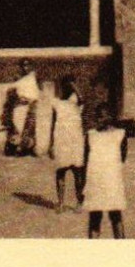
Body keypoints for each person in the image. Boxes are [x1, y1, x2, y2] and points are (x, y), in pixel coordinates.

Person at [84, 111, 128, 239]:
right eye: (98, 117)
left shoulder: (118, 135)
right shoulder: (92, 135)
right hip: (102, 181)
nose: (98, 121)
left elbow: (122, 157)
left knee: (109, 216)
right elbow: (86, 159)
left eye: (101, 117)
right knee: (102, 217)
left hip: (105, 182)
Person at [49, 78, 86, 211]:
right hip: (61, 141)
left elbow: (81, 98)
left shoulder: (76, 104)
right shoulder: (57, 104)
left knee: (78, 173)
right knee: (60, 172)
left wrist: (73, 85)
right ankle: (60, 203)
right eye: (66, 86)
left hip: (75, 141)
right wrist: (51, 144)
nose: (69, 89)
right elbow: (52, 124)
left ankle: (79, 202)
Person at [6, 59, 40, 156]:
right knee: (20, 126)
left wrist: (34, 99)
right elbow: (12, 91)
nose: (26, 68)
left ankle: (31, 148)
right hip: (21, 104)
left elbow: (37, 90)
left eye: (28, 65)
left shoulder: (34, 77)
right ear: (21, 67)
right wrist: (20, 100)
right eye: (24, 66)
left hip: (33, 104)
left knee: (31, 126)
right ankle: (19, 148)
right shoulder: (18, 78)